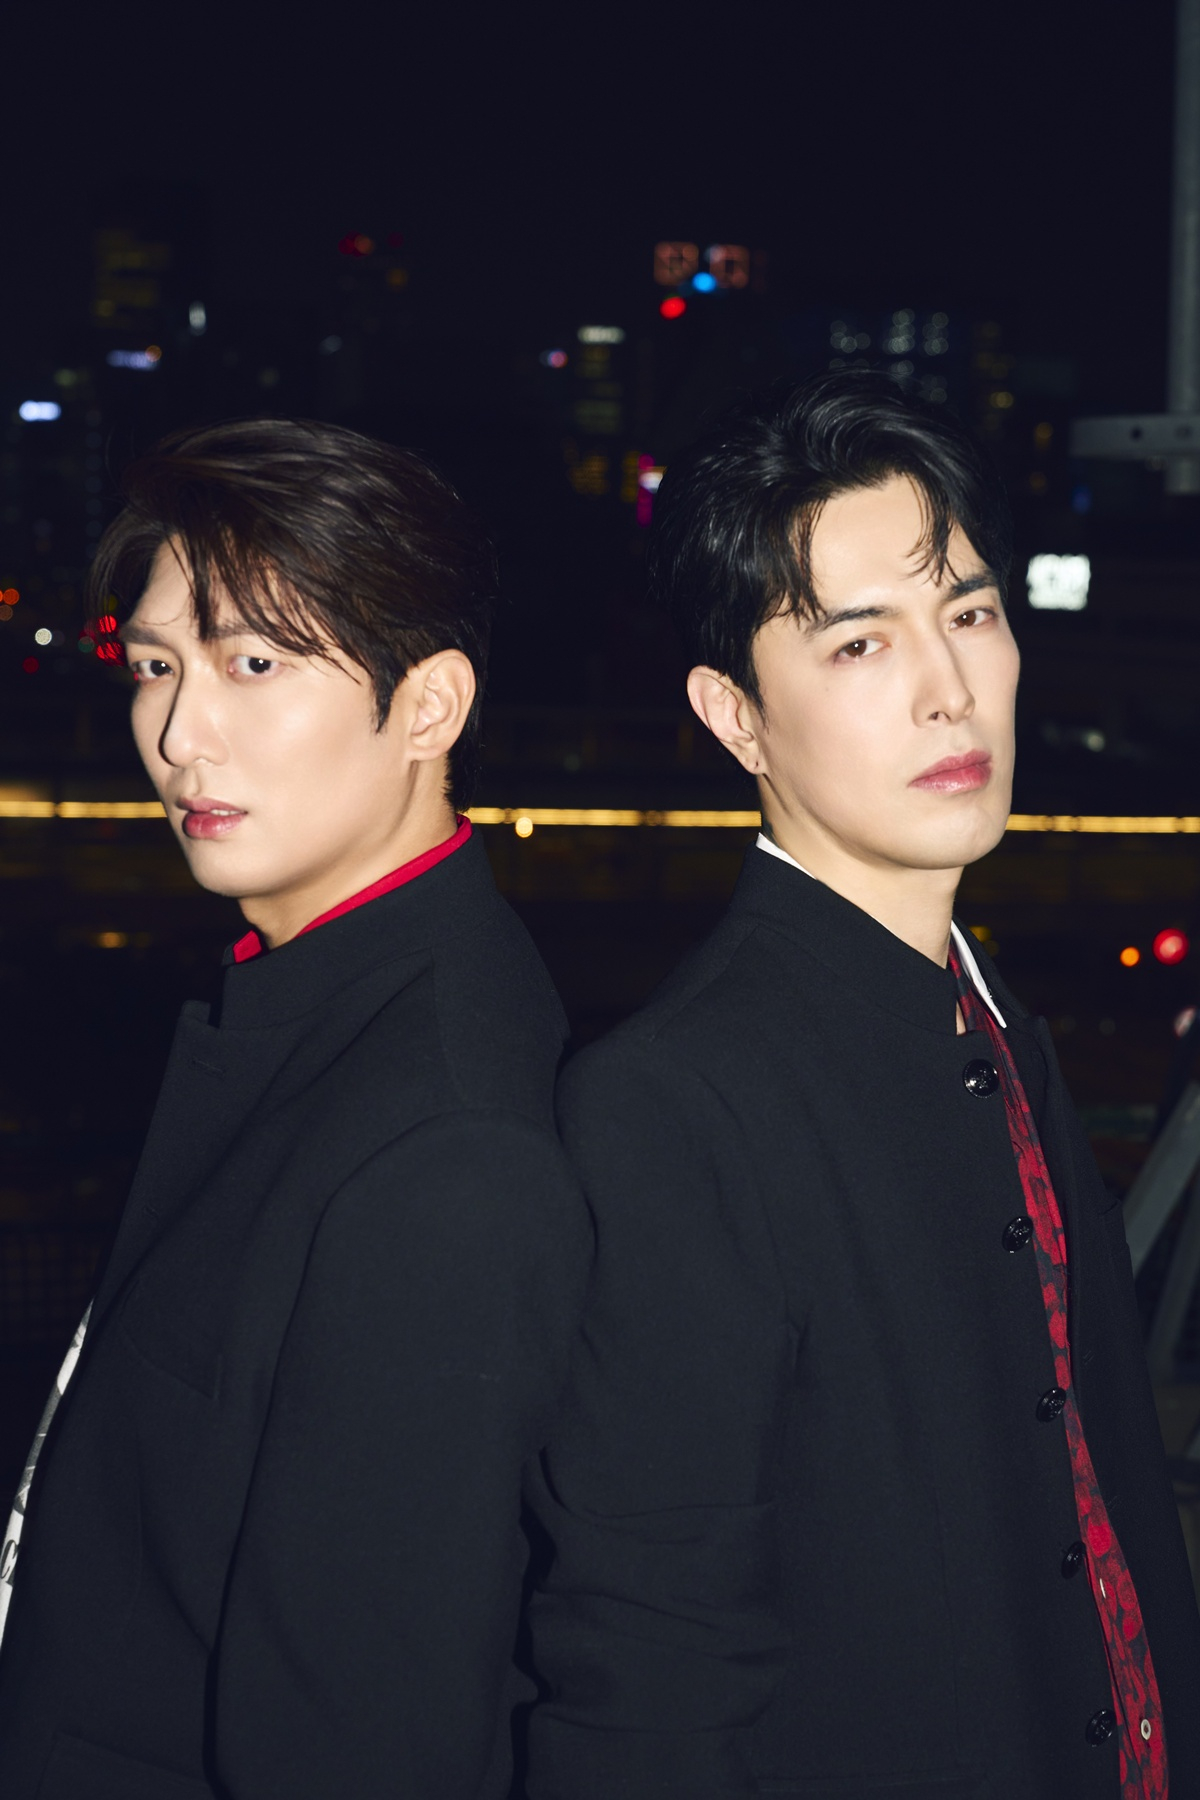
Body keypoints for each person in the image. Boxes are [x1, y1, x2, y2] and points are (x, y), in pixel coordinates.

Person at [528, 373, 1200, 1799]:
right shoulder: (673, 1105)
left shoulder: (993, 1018)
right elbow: (647, 1663)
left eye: (970, 613)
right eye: (859, 642)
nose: (948, 688)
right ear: (735, 717)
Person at [0, 419, 589, 1800]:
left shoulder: (444, 1148)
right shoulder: (320, 1006)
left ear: (429, 710)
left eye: (254, 664)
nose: (177, 733)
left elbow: (364, 1737)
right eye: (158, 665)